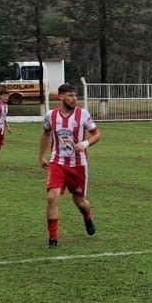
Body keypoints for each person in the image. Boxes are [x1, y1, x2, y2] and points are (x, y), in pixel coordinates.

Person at [40, 83, 100, 247]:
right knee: (52, 197)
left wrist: (85, 143)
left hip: (78, 164)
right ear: (61, 97)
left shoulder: (83, 114)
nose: (74, 99)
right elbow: (45, 133)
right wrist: (41, 156)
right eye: (70, 95)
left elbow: (97, 134)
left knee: (80, 202)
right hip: (57, 162)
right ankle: (53, 239)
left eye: (75, 95)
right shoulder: (51, 116)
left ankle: (87, 217)